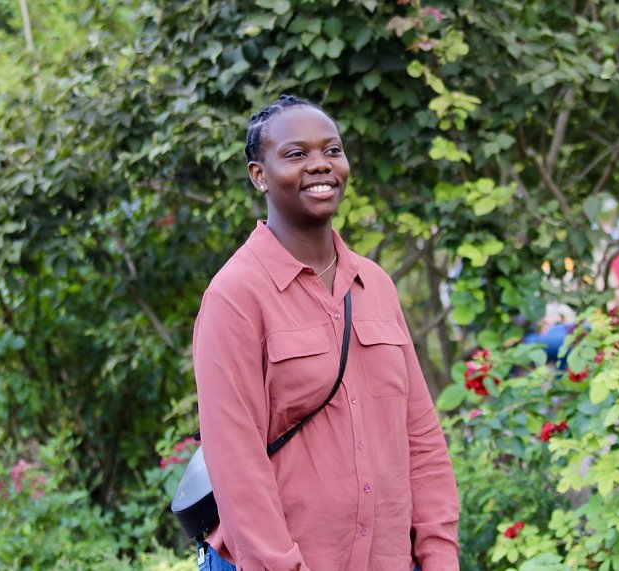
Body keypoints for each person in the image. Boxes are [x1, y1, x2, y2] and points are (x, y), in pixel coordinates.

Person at [192, 95, 460, 571]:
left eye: (332, 150)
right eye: (296, 155)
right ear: (259, 175)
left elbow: (420, 436)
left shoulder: (375, 285)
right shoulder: (235, 296)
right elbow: (237, 465)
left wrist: (439, 554)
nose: (320, 165)